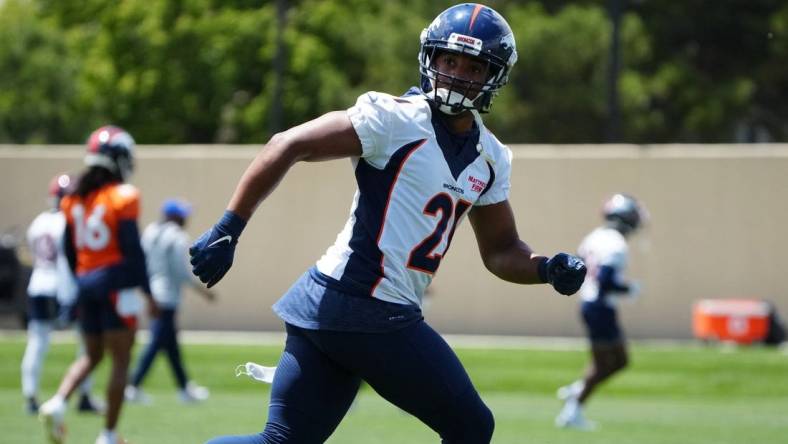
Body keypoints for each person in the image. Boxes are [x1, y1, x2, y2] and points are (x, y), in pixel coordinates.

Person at [190, 4, 586, 443]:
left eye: (473, 67)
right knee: (472, 427)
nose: (456, 73)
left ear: (494, 76)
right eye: (448, 60)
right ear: (429, 58)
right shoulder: (395, 119)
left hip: (329, 305)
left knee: (282, 442)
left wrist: (547, 268)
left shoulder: (490, 157)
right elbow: (289, 144)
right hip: (370, 307)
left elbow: (501, 250)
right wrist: (229, 227)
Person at [38, 125, 158, 444]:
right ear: (117, 159)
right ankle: (107, 435)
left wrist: (81, 281)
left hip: (85, 283)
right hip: (116, 284)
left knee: (92, 354)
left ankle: (58, 401)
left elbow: (69, 250)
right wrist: (148, 293)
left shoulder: (74, 199)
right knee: (121, 359)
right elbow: (133, 251)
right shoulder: (123, 196)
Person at [555, 193, 647, 430]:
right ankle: (573, 408)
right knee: (607, 363)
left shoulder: (594, 237)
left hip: (591, 304)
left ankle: (578, 390)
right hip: (599, 306)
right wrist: (629, 288)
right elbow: (605, 281)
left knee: (618, 361)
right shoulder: (616, 243)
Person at [21, 174, 102, 415]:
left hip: (38, 285)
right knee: (87, 344)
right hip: (64, 287)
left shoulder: (38, 222)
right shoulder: (70, 221)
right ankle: (84, 394)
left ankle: (30, 396)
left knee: (37, 342)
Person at [125, 199, 215, 405]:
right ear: (174, 217)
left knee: (170, 344)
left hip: (153, 291)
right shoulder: (177, 237)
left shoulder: (150, 232)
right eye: (183, 215)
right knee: (157, 341)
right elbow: (181, 272)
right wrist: (203, 291)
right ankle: (133, 385)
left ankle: (184, 388)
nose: (186, 219)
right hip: (167, 295)